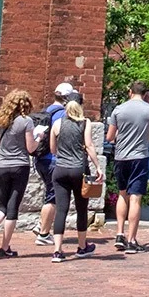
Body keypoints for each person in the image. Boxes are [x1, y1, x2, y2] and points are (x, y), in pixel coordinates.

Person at [0, 89, 37, 259]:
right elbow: (30, 148)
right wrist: (39, 137)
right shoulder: (26, 122)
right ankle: (5, 248)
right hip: (19, 166)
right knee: (13, 208)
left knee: (2, 205)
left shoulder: (0, 121)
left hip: (0, 165)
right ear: (26, 104)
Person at [106, 81, 149, 253]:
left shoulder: (119, 109)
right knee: (135, 197)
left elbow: (109, 136)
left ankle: (119, 234)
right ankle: (131, 240)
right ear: (144, 94)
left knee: (123, 194)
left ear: (130, 92)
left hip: (121, 156)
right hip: (140, 156)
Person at [49, 98, 103, 262]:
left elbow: (53, 149)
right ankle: (81, 246)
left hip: (60, 170)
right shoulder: (85, 123)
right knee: (81, 209)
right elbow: (89, 145)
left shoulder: (57, 123)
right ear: (81, 106)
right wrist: (98, 166)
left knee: (61, 210)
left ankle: (57, 251)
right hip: (78, 169)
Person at [32, 82, 76, 247]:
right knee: (53, 197)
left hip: (40, 159)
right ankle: (43, 234)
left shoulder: (47, 111)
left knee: (49, 193)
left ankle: (41, 225)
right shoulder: (62, 115)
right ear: (67, 98)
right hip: (53, 160)